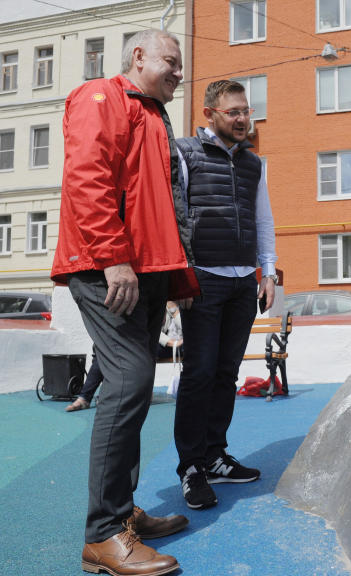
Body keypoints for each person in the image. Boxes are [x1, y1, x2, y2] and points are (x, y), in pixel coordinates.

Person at [51, 29, 197, 576]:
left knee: (132, 389)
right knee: (129, 383)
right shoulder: (101, 97)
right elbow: (87, 178)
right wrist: (114, 257)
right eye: (170, 61)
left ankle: (123, 512)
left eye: (181, 65)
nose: (179, 72)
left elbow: (159, 202)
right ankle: (103, 534)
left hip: (145, 271)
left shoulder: (151, 113)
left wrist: (171, 281)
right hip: (110, 267)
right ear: (138, 57)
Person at [173, 79, 278, 510]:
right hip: (202, 279)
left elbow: (264, 217)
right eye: (233, 112)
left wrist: (267, 271)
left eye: (245, 111)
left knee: (226, 374)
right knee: (198, 374)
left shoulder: (254, 163)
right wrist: (178, 277)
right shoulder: (185, 153)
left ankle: (215, 455)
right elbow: (175, 216)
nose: (242, 119)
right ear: (210, 115)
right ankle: (191, 467)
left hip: (241, 282)